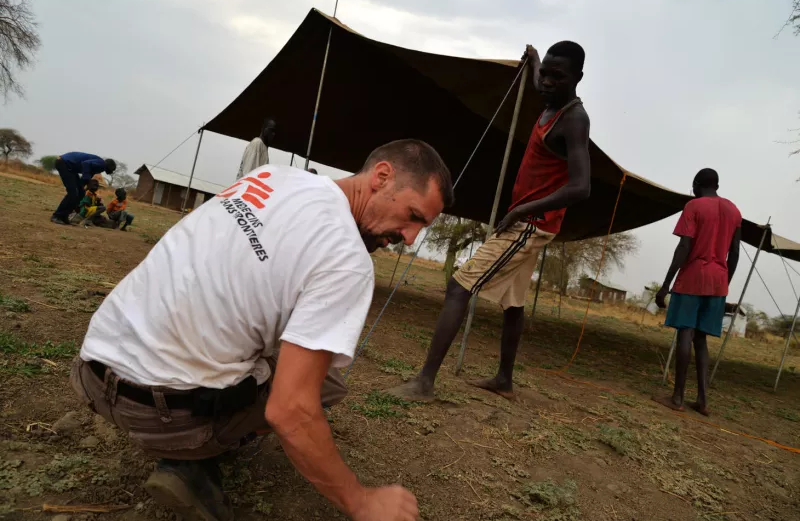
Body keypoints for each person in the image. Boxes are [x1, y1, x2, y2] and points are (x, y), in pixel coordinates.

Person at [70, 139, 453, 521]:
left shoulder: (272, 176)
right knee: (322, 386)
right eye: (414, 216)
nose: (410, 238)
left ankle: (189, 433)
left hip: (90, 370)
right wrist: (362, 502)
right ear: (382, 177)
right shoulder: (347, 259)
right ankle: (191, 461)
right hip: (155, 414)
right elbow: (291, 410)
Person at [388, 41, 592, 402]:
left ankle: (424, 383)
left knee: (459, 285)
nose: (546, 81)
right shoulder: (549, 101)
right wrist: (533, 62)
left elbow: (581, 187)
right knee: (513, 304)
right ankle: (504, 380)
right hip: (530, 219)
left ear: (577, 78)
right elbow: (538, 83)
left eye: (556, 76)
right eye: (545, 74)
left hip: (531, 223)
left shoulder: (574, 119)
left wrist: (521, 211)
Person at [654, 168, 741, 416]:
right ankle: (702, 402)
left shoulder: (694, 206)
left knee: (685, 333)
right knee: (701, 340)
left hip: (693, 276)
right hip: (718, 281)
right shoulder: (734, 211)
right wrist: (725, 281)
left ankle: (677, 397)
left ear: (696, 184)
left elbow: (684, 245)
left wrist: (665, 284)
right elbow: (734, 252)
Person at [51, 153, 116, 225]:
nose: (111, 172)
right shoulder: (102, 164)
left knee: (80, 193)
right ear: (110, 166)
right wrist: (87, 179)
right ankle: (57, 216)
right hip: (64, 163)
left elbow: (85, 178)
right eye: (112, 169)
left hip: (70, 167)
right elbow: (86, 164)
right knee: (72, 193)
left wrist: (83, 186)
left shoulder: (98, 167)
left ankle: (64, 216)